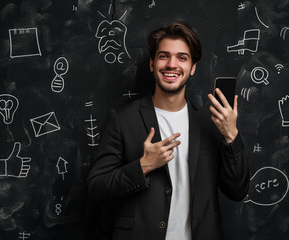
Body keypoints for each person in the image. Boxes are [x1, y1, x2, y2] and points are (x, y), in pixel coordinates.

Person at [87, 22, 250, 240]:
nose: (172, 64)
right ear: (152, 64)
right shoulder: (123, 119)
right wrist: (144, 165)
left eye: (182, 58)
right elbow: (95, 188)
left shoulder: (212, 122)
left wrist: (231, 136)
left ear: (193, 67)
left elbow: (237, 191)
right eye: (164, 56)